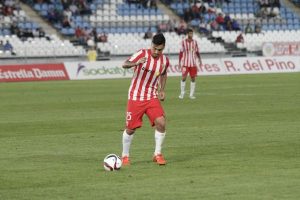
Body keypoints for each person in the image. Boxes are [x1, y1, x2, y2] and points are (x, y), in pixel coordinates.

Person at [121, 33, 170, 166]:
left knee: (161, 122)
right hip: (135, 96)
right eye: (154, 48)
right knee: (130, 129)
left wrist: (161, 90)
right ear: (151, 45)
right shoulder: (142, 54)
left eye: (159, 50)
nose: (156, 51)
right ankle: (125, 156)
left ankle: (157, 154)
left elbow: (164, 74)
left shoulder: (164, 60)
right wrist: (135, 63)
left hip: (151, 97)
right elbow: (124, 64)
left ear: (163, 48)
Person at [178, 28, 202, 99]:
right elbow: (181, 52)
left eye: (192, 33)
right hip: (185, 63)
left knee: (193, 78)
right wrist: (179, 62)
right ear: (187, 34)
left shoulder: (195, 42)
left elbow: (197, 52)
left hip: (193, 64)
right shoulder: (183, 42)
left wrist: (200, 59)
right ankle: (182, 94)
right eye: (190, 33)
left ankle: (191, 95)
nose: (191, 35)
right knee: (183, 78)